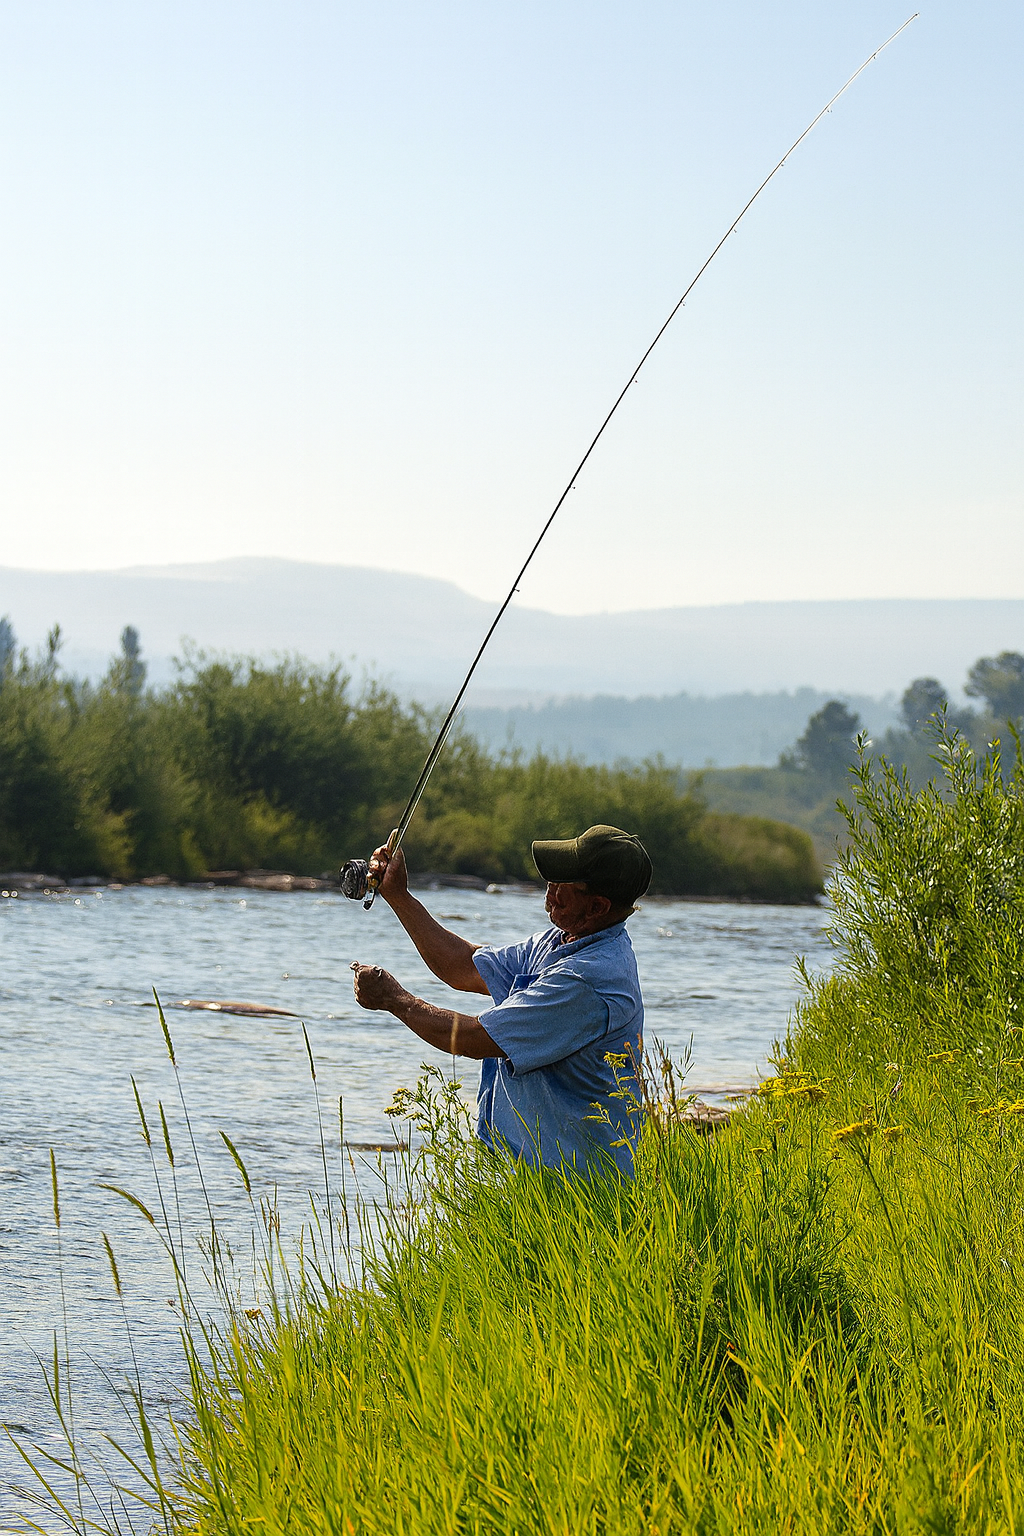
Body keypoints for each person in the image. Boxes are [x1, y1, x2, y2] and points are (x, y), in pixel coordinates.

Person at [350, 823, 652, 1176]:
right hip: (531, 1172)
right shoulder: (560, 942)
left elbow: (476, 1039)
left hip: (579, 1180)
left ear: (598, 906)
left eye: (562, 884)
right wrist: (399, 896)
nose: (549, 888)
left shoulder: (589, 980)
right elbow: (462, 966)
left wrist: (396, 1000)